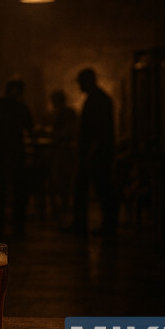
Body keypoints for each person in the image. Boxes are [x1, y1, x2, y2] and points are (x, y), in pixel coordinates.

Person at [72, 68, 117, 236]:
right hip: (96, 152)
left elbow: (98, 130)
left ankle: (103, 225)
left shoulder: (96, 100)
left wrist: (91, 152)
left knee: (102, 187)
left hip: (97, 153)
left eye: (80, 82)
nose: (79, 86)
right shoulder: (99, 98)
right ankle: (101, 224)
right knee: (99, 187)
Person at [0, 79, 34, 237]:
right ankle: (18, 223)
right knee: (19, 188)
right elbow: (30, 126)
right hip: (15, 151)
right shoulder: (20, 107)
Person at [48, 90, 77, 225]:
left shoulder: (64, 114)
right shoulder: (67, 113)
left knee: (63, 181)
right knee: (63, 182)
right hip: (65, 152)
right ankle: (63, 210)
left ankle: (64, 211)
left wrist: (56, 136)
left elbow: (67, 131)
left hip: (64, 152)